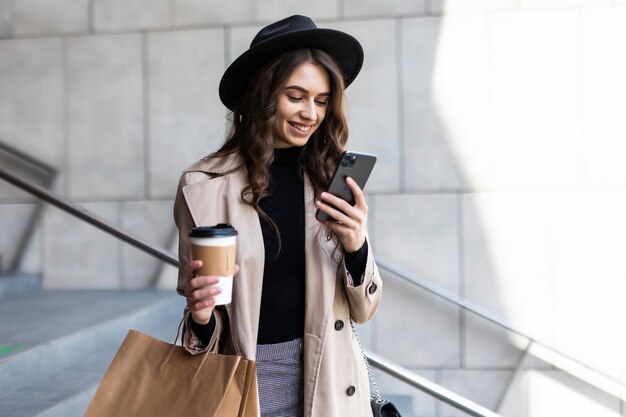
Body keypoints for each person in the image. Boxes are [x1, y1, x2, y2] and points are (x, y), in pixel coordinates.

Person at [173, 15, 383, 417]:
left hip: (330, 383)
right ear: (263, 95)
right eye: (296, 96)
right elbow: (205, 315)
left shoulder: (330, 177)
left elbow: (365, 309)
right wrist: (200, 316)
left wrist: (357, 245)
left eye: (321, 100)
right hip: (245, 383)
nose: (311, 113)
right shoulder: (204, 187)